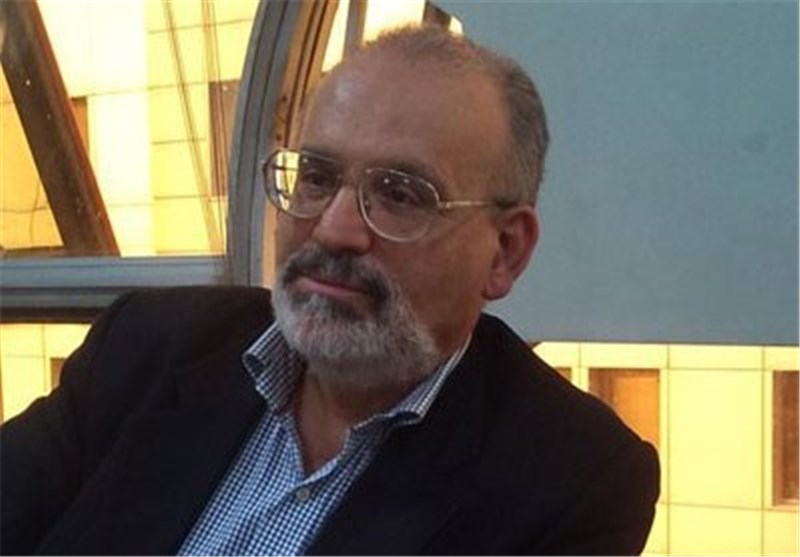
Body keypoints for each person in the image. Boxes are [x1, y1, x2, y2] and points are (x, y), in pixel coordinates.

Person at [1, 25, 659, 555]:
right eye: (316, 177)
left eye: (400, 194)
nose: (335, 228)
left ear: (505, 250)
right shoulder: (150, 346)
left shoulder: (571, 479)